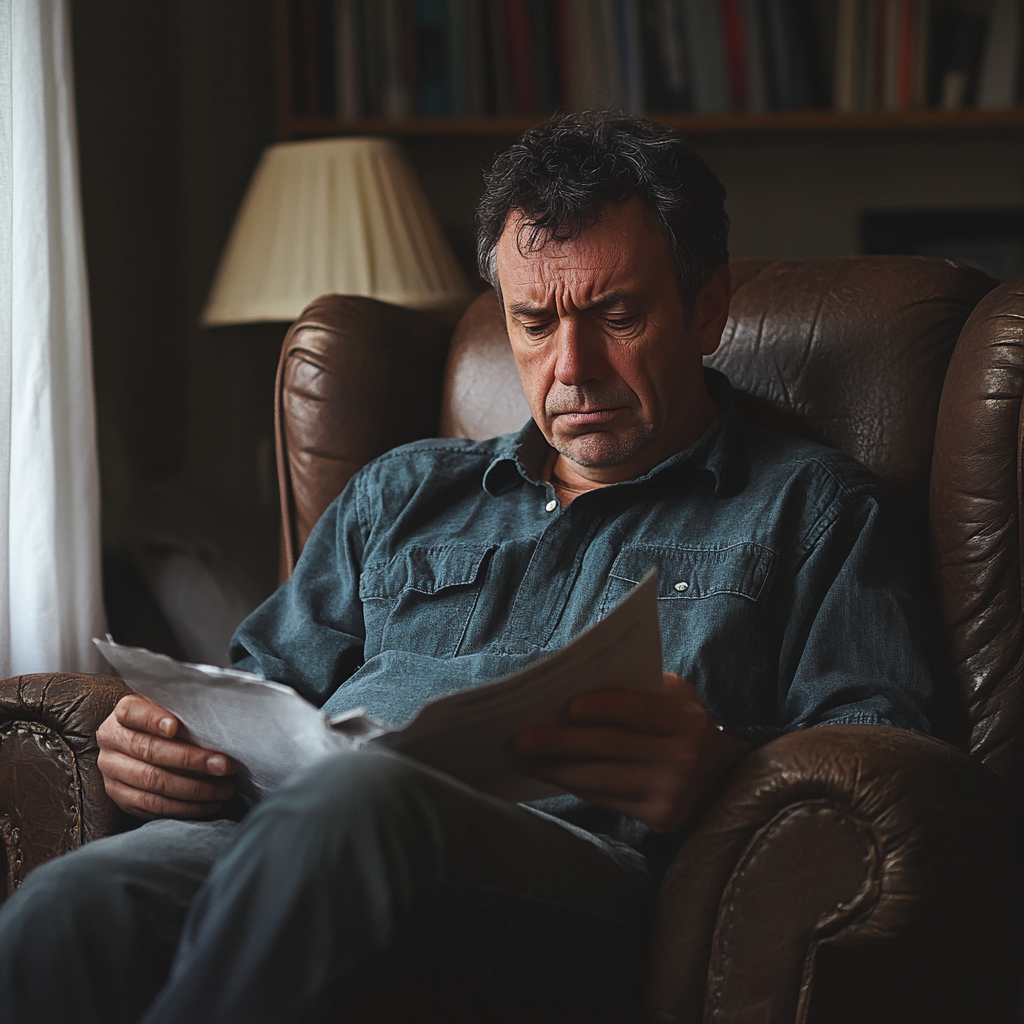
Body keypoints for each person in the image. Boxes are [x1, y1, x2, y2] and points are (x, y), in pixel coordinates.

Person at [0, 113, 948, 1024]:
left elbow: (891, 760)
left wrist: (729, 769)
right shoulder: (402, 491)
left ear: (706, 310)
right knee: (73, 902)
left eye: (616, 315)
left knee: (356, 802)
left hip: (572, 872)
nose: (570, 368)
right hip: (291, 835)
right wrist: (160, 746)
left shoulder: (811, 509)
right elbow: (256, 690)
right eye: (534, 324)